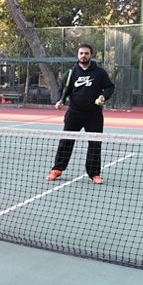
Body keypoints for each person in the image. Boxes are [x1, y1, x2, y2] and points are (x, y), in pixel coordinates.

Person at [47, 44, 115, 185]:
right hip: (74, 113)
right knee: (66, 141)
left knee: (95, 144)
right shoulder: (71, 72)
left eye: (86, 53)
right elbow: (63, 89)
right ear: (78, 55)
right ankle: (57, 169)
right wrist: (60, 100)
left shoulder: (100, 73)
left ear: (91, 55)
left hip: (94, 114)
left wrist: (103, 97)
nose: (83, 55)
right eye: (81, 53)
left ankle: (94, 173)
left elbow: (109, 87)